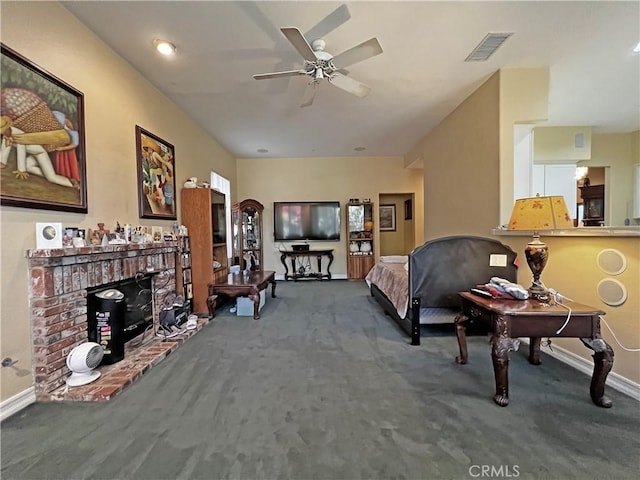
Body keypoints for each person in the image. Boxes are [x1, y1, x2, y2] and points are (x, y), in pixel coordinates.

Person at [0, 116, 76, 188]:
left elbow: (21, 151)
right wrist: (2, 162)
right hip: (33, 154)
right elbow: (5, 147)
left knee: (51, 178)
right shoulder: (7, 135)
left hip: (40, 153)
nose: (3, 133)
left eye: (3, 130)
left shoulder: (18, 135)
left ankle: (71, 183)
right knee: (28, 167)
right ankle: (48, 174)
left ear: (7, 127)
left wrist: (21, 170)